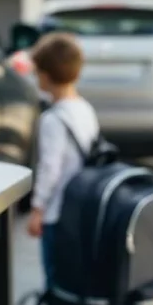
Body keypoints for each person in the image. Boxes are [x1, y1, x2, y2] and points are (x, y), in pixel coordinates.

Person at [26, 32, 100, 291]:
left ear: (44, 77)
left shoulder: (53, 119)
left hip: (56, 212)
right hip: (81, 207)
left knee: (54, 274)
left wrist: (37, 209)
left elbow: (50, 168)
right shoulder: (85, 109)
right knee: (73, 273)